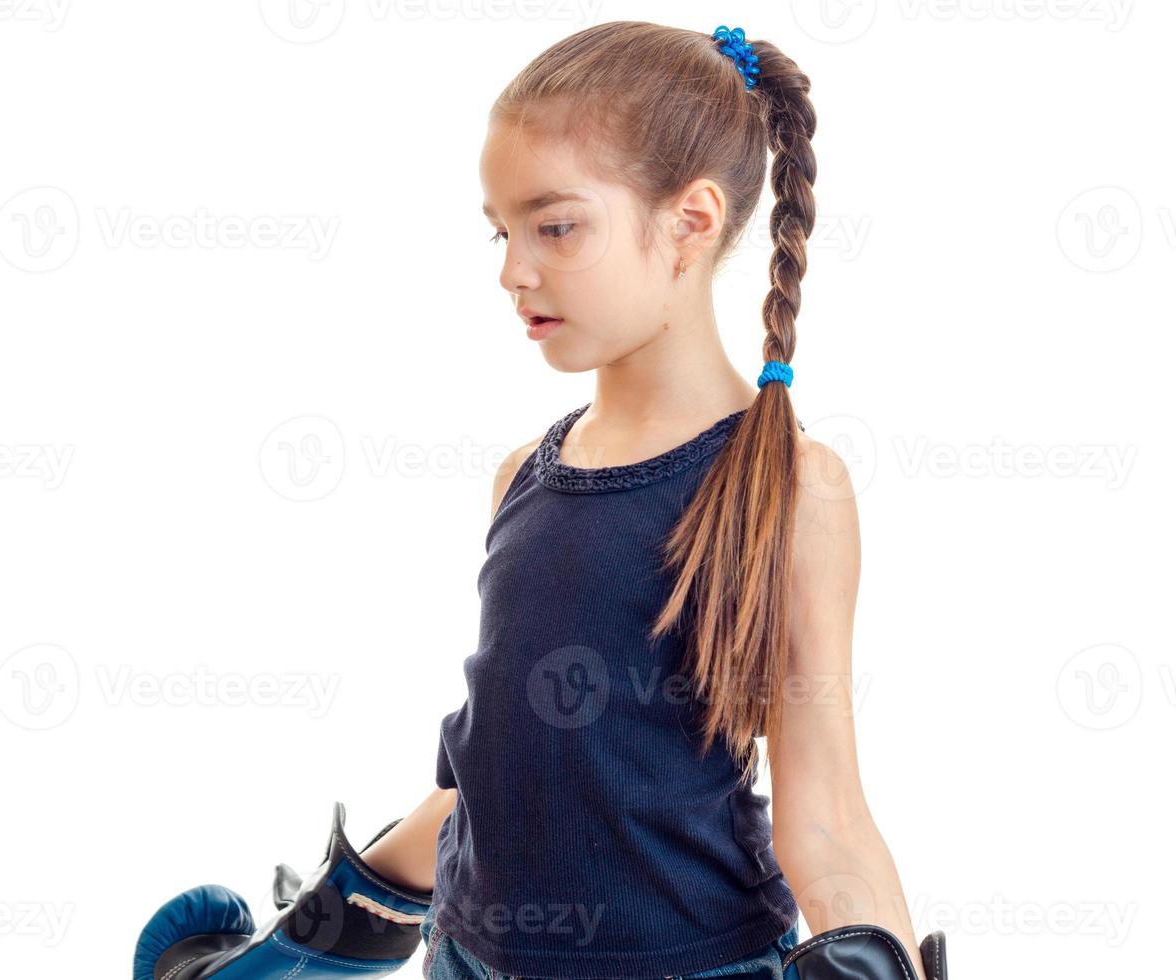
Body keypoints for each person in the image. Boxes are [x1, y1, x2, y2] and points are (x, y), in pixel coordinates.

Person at [133, 21, 949, 980]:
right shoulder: (523, 473)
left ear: (690, 221)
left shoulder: (793, 488)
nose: (514, 270)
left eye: (555, 226)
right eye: (502, 230)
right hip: (469, 962)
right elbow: (501, 773)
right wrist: (315, 937)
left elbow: (826, 817)